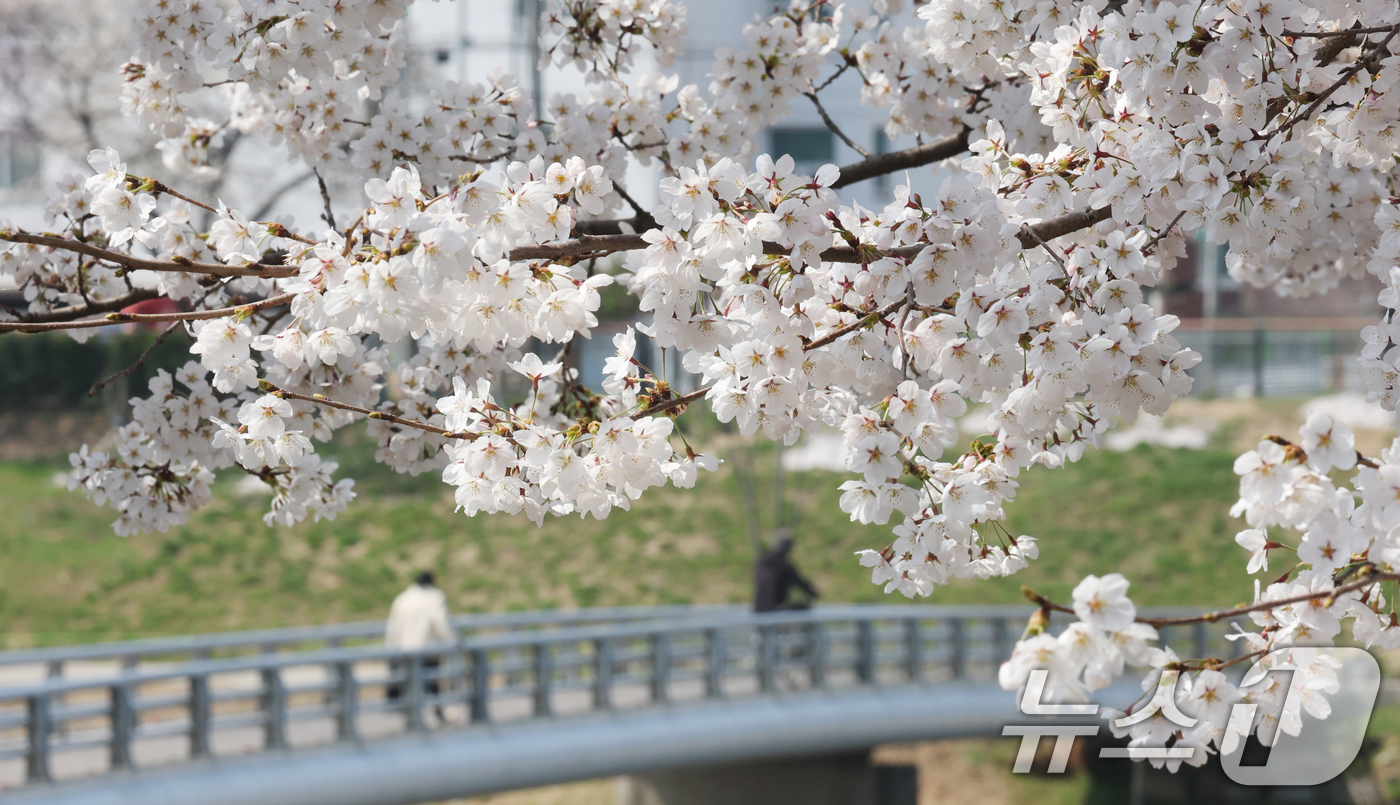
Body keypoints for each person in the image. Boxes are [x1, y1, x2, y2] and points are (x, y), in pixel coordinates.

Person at [385, 571, 455, 722]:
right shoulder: (435, 597)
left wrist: (391, 648)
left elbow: (393, 627)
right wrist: (451, 640)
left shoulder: (402, 599)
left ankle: (410, 716)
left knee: (409, 682)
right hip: (426, 649)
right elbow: (440, 622)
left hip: (405, 649)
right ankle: (438, 712)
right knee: (433, 683)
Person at [753, 530, 820, 612]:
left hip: (758, 610)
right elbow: (800, 582)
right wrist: (814, 593)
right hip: (776, 611)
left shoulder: (761, 563)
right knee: (804, 610)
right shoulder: (784, 565)